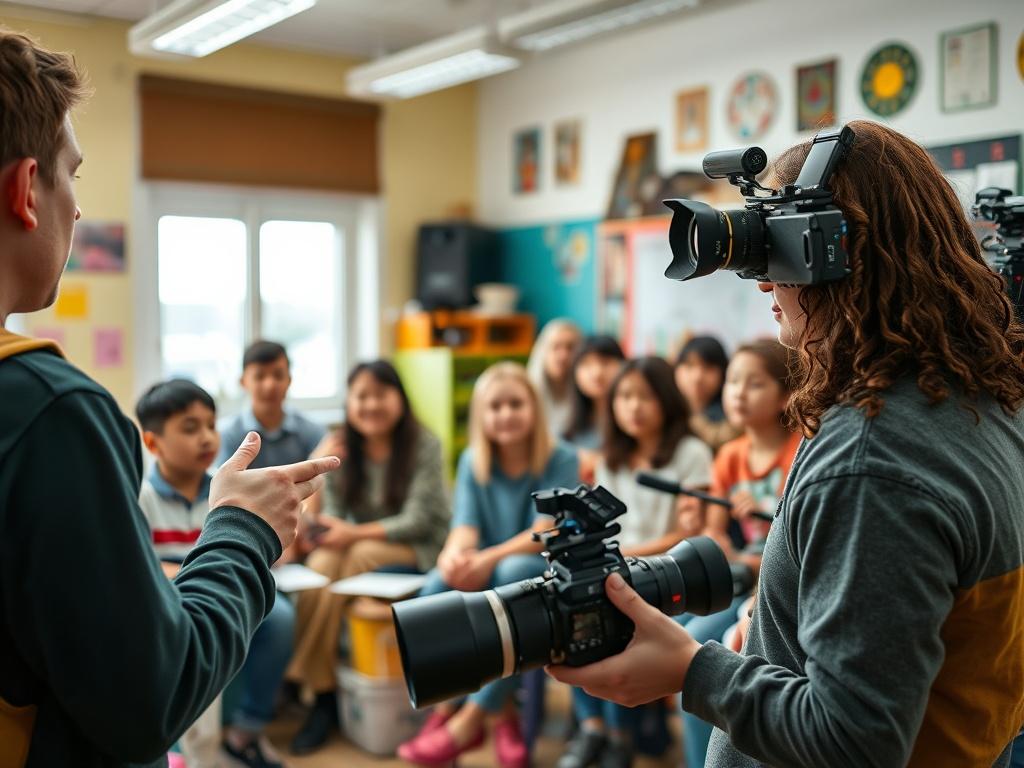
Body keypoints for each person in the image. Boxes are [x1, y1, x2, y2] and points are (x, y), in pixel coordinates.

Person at [547, 120, 1024, 767]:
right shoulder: (983, 401)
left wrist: (693, 670)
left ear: (831, 253)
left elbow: (853, 742)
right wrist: (779, 633)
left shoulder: (871, 461)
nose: (763, 283)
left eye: (774, 250)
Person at [0, 30, 338, 766]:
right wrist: (243, 529)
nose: (78, 211)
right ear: (27, 191)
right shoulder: (49, 412)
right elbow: (151, 696)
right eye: (73, 176)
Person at [398, 362, 579, 768]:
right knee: (433, 590)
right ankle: (469, 710)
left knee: (510, 579)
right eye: (495, 407)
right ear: (482, 415)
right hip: (489, 567)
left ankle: (473, 717)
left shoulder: (562, 457)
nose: (506, 414)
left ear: (534, 408)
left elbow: (544, 534)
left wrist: (485, 559)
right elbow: (465, 526)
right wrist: (452, 557)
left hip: (541, 572)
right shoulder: (472, 461)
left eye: (516, 404)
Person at [285, 360, 450, 754]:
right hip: (358, 550)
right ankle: (324, 696)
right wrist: (320, 459)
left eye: (380, 394)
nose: (370, 404)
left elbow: (420, 519)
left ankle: (306, 685)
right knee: (323, 565)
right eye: (361, 396)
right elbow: (332, 514)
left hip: (420, 547)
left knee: (356, 553)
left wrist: (351, 533)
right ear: (349, 402)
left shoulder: (424, 444)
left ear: (399, 399)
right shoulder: (344, 446)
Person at [558, 356, 711, 768]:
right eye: (624, 397)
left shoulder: (691, 452)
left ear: (665, 400)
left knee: (607, 617)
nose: (633, 407)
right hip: (619, 570)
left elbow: (686, 538)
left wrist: (620, 559)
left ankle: (619, 739)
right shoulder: (610, 457)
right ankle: (595, 729)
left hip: (665, 571)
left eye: (644, 396)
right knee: (568, 609)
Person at [136, 380, 295, 768]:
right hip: (169, 599)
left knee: (280, 617)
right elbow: (141, 565)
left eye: (210, 424)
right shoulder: (142, 498)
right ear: (153, 443)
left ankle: (246, 731)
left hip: (224, 592)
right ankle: (181, 746)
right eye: (190, 428)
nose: (207, 437)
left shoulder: (227, 491)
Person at [679, 339, 801, 768]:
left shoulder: (799, 450)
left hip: (771, 582)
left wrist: (767, 523)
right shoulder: (730, 455)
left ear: (786, 394)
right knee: (676, 622)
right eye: (732, 382)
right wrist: (706, 530)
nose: (737, 393)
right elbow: (717, 537)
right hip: (740, 575)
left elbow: (797, 544)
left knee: (695, 642)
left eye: (754, 384)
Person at [217, 340, 325, 469]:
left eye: (278, 375)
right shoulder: (227, 435)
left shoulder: (312, 431)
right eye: (259, 376)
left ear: (289, 380)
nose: (270, 385)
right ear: (243, 382)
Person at [563, 335, 626, 481]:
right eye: (586, 364)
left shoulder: (633, 422)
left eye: (605, 362)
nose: (597, 373)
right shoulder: (568, 431)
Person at [673, 335, 741, 453]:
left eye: (708, 367)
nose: (697, 377)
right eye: (689, 365)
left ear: (724, 373)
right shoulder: (664, 410)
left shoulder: (735, 414)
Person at [527, 318, 582, 438]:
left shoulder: (590, 397)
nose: (563, 355)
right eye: (556, 347)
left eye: (570, 347)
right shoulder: (527, 395)